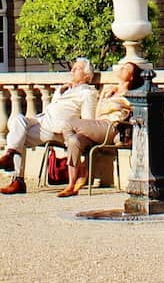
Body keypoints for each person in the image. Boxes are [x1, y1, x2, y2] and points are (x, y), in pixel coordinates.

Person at [0, 57, 98, 194]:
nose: (72, 70)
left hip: (57, 129)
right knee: (18, 121)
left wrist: (72, 135)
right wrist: (62, 91)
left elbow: (88, 121)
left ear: (87, 76)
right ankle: (13, 162)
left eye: (77, 69)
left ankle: (17, 177)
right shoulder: (64, 89)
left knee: (17, 136)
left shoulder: (88, 93)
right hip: (43, 120)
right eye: (73, 67)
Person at [58, 61, 141, 197]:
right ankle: (72, 184)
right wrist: (107, 94)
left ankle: (82, 170)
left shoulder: (130, 94)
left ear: (132, 77)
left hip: (111, 127)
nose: (121, 68)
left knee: (68, 123)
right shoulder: (109, 91)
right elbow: (97, 111)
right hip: (98, 126)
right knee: (74, 140)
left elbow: (143, 106)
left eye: (126, 68)